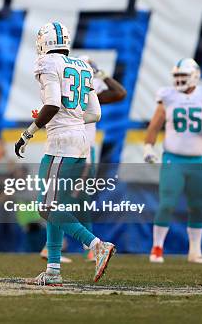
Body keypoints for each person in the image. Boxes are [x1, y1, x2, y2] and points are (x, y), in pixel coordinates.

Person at [14, 21, 116, 286]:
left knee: (46, 206)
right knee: (55, 205)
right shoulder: (82, 66)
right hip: (80, 141)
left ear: (44, 42)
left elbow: (52, 103)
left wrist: (28, 132)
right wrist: (68, 117)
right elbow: (95, 114)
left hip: (62, 143)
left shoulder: (48, 64)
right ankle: (53, 271)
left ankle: (96, 245)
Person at [144, 58, 202, 264]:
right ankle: (157, 248)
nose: (179, 80)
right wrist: (148, 147)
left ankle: (195, 251)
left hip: (198, 160)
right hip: (173, 159)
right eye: (177, 76)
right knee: (167, 204)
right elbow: (154, 126)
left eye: (183, 76)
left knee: (197, 206)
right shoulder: (168, 96)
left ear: (195, 76)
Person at [77, 54, 127, 261]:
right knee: (66, 200)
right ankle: (89, 246)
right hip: (78, 147)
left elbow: (119, 93)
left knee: (74, 199)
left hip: (74, 146)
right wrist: (101, 74)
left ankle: (84, 247)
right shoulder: (81, 88)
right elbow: (119, 93)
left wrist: (101, 75)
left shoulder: (65, 85)